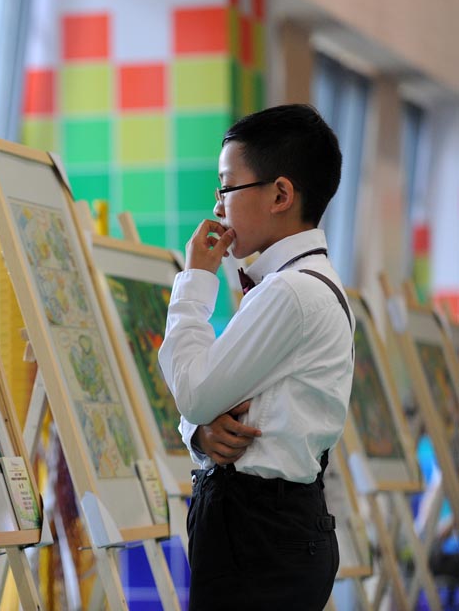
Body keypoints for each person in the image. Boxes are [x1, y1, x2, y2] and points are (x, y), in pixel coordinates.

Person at [157, 104, 354, 610]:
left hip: (257, 533)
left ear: (280, 194)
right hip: (269, 527)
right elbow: (208, 402)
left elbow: (196, 392)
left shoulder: (289, 292)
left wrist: (195, 279)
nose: (218, 205)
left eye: (226, 186)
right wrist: (198, 431)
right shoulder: (301, 284)